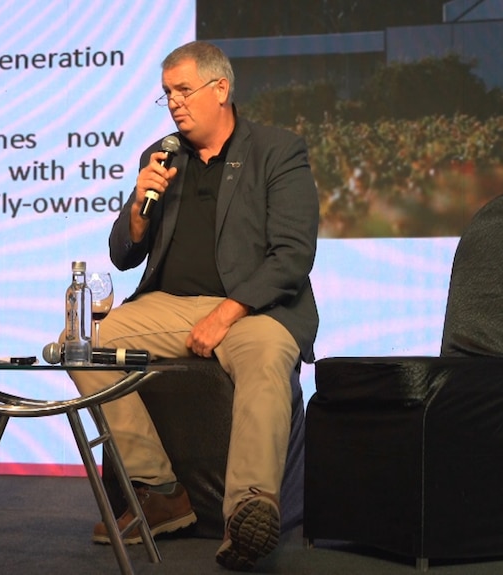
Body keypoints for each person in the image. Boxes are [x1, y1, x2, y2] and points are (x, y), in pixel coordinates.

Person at [67, 41, 319, 571]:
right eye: (167, 94)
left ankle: (250, 511)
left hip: (253, 310)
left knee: (269, 358)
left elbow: (293, 256)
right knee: (87, 345)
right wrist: (138, 204)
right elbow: (123, 252)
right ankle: (160, 493)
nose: (174, 103)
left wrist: (227, 313)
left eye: (183, 90)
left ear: (220, 89)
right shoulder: (161, 156)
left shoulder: (278, 150)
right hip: (168, 305)